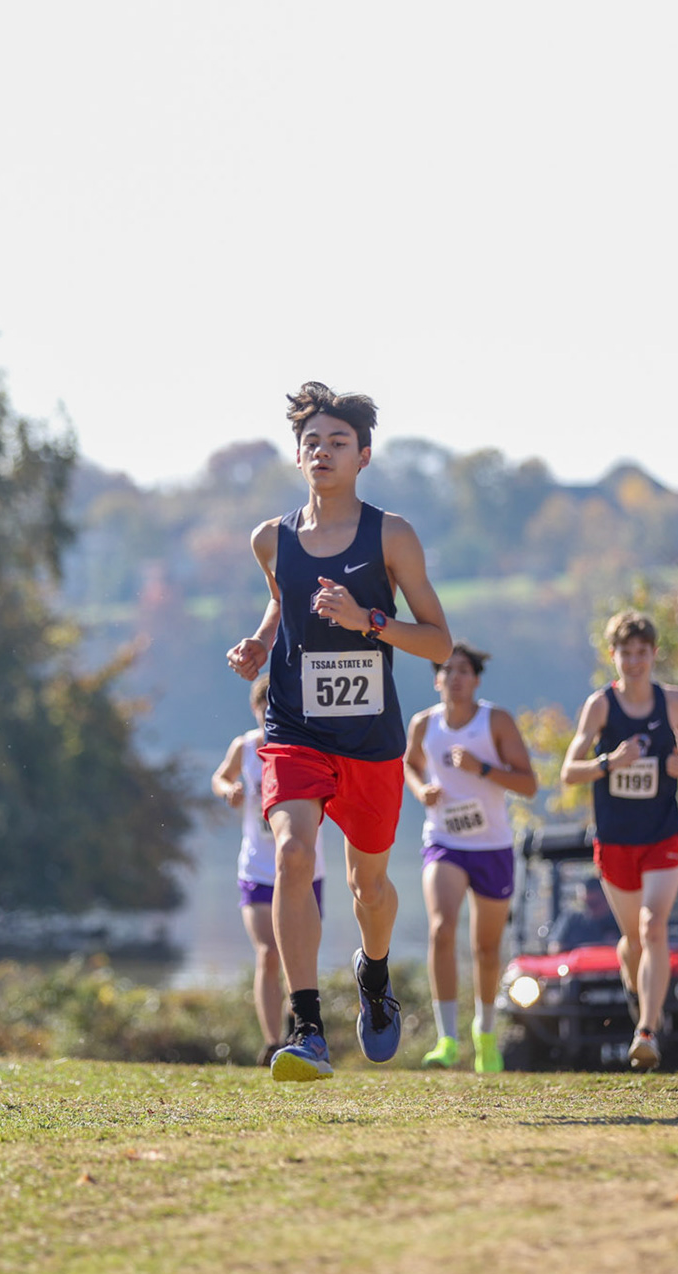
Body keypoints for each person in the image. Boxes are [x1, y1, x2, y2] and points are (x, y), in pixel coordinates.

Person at [226, 381, 452, 1082]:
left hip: (370, 741)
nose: (322, 451)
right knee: (294, 854)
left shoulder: (392, 536)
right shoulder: (271, 538)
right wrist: (262, 644)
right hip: (295, 730)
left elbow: (441, 643)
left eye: (338, 442)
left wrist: (370, 623)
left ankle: (374, 974)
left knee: (371, 890)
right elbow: (279, 603)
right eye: (312, 442)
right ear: (298, 456)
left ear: (364, 456)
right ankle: (307, 1029)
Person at [560, 611, 678, 1071]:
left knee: (653, 925)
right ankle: (634, 976)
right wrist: (609, 762)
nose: (634, 661)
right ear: (613, 656)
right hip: (616, 839)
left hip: (662, 833)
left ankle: (647, 1030)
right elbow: (568, 771)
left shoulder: (675, 702)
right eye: (626, 652)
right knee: (633, 940)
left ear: (653, 654)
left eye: (642, 652)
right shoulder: (600, 706)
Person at [403, 642, 537, 1072]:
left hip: (492, 846)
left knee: (486, 948)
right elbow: (408, 764)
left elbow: (529, 784)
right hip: (444, 841)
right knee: (441, 928)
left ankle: (485, 1033)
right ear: (436, 679)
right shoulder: (424, 724)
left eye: (463, 670)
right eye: (447, 670)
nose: (455, 677)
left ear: (476, 679)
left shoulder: (494, 721)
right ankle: (446, 1039)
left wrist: (481, 768)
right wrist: (422, 789)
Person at [212, 676, 328, 1066]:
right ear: (255, 710)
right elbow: (221, 776)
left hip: (306, 869)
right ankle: (272, 1040)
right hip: (259, 869)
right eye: (263, 709)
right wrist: (229, 790)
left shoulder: (306, 744)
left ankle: (302, 1025)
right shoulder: (244, 747)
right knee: (267, 952)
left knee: (299, 952)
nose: (269, 716)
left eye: (275, 708)